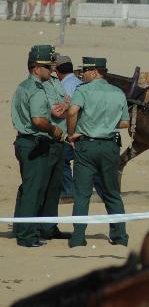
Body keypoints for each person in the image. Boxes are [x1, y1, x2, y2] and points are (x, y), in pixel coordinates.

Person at [66, 56, 130, 248]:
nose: (82, 75)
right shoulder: (118, 92)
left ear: (94, 72)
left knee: (82, 194)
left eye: (84, 71)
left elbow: (71, 112)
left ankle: (78, 238)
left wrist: (71, 134)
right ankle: (119, 236)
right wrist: (106, 124)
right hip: (110, 147)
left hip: (87, 146)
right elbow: (125, 123)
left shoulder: (83, 90)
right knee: (112, 193)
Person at [11, 45, 67, 247]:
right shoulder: (34, 89)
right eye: (47, 66)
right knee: (33, 190)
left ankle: (45, 228)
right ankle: (27, 235)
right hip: (34, 141)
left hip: (37, 143)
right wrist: (53, 130)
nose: (52, 70)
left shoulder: (28, 86)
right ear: (36, 68)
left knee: (46, 188)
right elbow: (38, 120)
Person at [51, 54, 87, 202]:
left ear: (57, 71)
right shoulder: (79, 82)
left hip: (72, 131)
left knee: (62, 159)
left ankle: (67, 192)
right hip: (85, 130)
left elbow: (70, 111)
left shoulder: (64, 86)